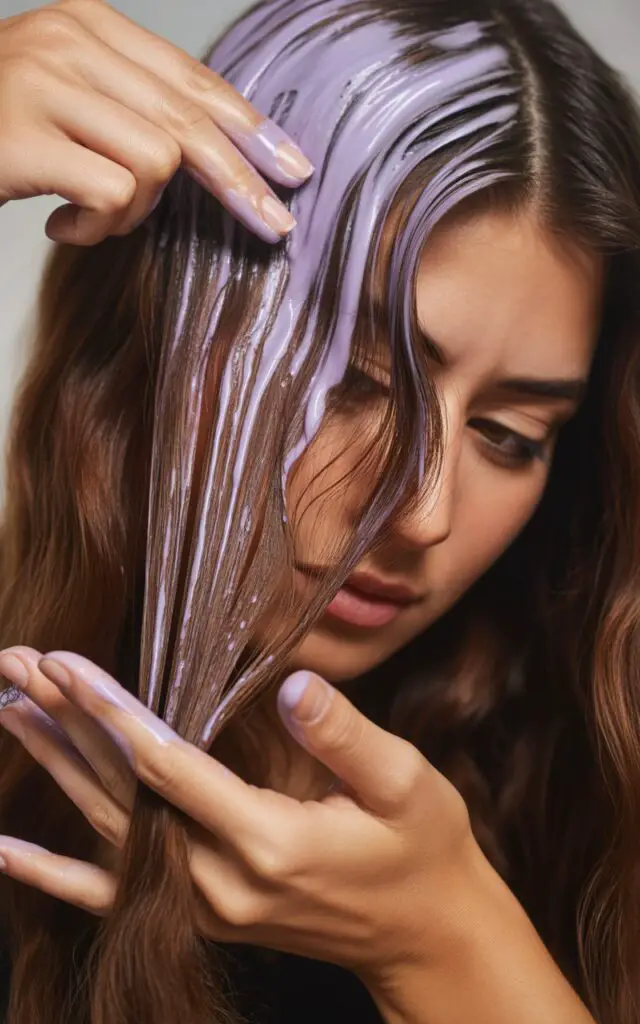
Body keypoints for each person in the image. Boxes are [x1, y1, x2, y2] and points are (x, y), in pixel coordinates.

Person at [0, 0, 639, 1022]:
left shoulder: (592, 794)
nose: (421, 513)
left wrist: (446, 939)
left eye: (508, 436)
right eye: (353, 379)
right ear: (157, 329)